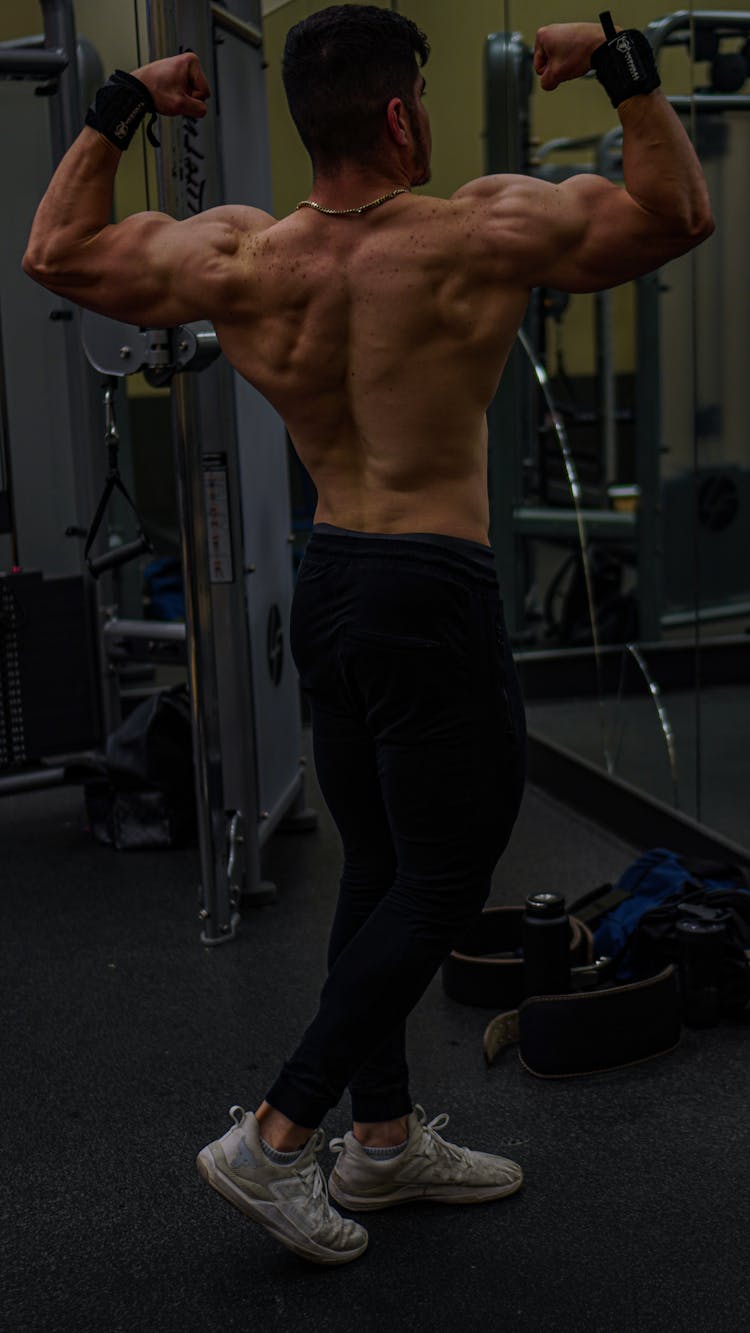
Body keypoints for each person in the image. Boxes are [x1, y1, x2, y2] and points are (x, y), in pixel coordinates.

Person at [24, 6, 713, 1267]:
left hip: (332, 579)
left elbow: (56, 250)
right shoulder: (480, 230)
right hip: (432, 589)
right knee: (444, 883)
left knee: (382, 870)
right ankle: (278, 1136)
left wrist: (121, 100)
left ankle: (382, 1142)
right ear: (402, 117)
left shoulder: (241, 253)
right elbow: (677, 213)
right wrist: (620, 63)